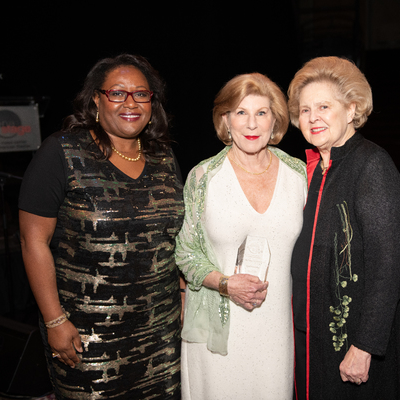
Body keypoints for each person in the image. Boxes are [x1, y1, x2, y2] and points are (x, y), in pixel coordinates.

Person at [18, 54, 184, 399]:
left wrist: (183, 294)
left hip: (161, 332)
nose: (131, 103)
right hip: (87, 336)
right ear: (96, 98)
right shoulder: (62, 152)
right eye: (118, 93)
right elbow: (33, 241)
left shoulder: (164, 157)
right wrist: (54, 320)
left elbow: (176, 237)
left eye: (141, 94)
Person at [175, 73, 307, 399]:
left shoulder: (300, 175)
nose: (251, 124)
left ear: (275, 119)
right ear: (225, 120)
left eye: (261, 113)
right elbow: (185, 254)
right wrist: (224, 283)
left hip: (277, 330)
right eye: (241, 112)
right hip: (219, 328)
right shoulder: (204, 177)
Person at [288, 56, 400, 399]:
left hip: (354, 338)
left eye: (324, 106)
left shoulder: (372, 166)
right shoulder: (315, 168)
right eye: (305, 109)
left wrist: (365, 345)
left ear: (352, 108)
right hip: (314, 329)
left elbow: (390, 267)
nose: (313, 117)